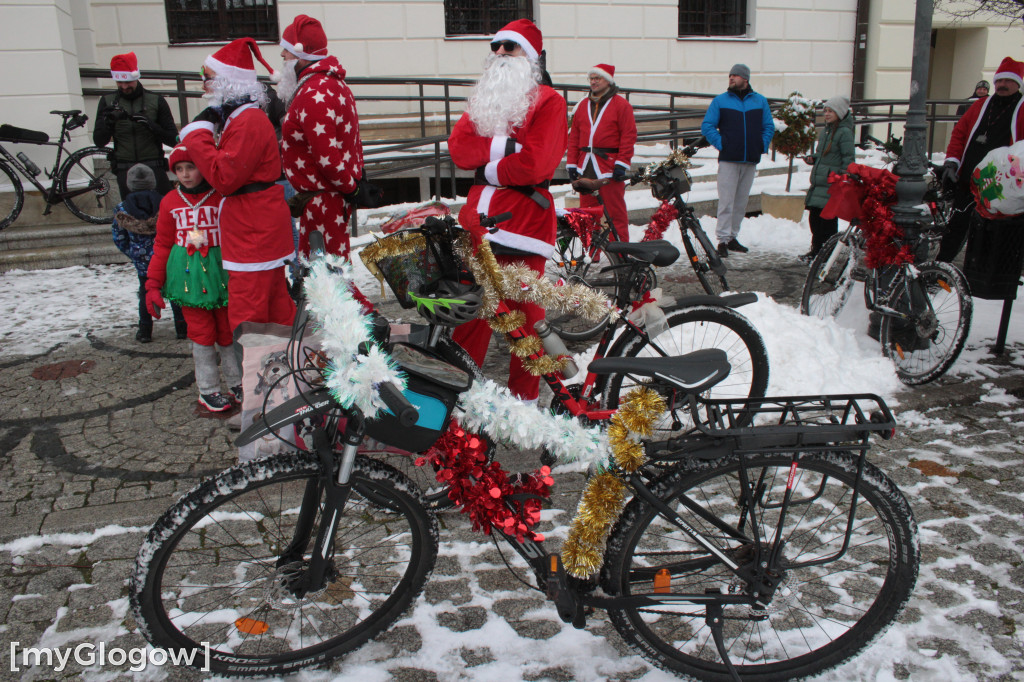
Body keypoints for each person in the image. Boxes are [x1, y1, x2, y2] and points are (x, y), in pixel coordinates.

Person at [447, 19, 568, 401]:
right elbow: (459, 151)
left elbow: (536, 165)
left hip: (524, 228)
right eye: (496, 45)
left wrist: (486, 165)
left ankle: (527, 405)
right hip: (476, 225)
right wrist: (509, 152)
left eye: (510, 47)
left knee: (525, 325)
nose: (500, 53)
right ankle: (458, 399)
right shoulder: (484, 102)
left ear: (529, 57)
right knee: (468, 320)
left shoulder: (549, 101)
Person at [177, 38, 296, 333]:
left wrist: (197, 135)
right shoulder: (240, 120)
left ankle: (260, 376)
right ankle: (278, 373)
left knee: (250, 314)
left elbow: (225, 178)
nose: (204, 86)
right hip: (254, 228)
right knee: (273, 309)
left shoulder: (247, 122)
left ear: (227, 83)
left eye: (208, 79)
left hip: (253, 232)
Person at [146, 144, 240, 413]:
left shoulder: (221, 196)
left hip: (221, 275)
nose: (185, 174)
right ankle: (208, 389)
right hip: (187, 278)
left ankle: (237, 383)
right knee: (201, 333)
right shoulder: (169, 202)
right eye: (179, 169)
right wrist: (152, 284)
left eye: (191, 167)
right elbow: (162, 244)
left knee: (227, 330)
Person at [278, 14, 370, 259]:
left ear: (300, 53)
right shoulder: (331, 84)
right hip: (324, 200)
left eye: (286, 51)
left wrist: (352, 189)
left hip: (323, 201)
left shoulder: (314, 91)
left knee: (330, 280)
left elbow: (326, 155)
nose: (282, 57)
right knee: (325, 277)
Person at [940, 57, 1024, 263]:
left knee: (995, 234)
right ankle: (940, 269)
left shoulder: (1021, 108)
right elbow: (959, 134)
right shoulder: (980, 105)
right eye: (999, 81)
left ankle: (985, 277)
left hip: (1001, 187)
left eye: (1008, 81)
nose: (1002, 85)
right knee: (956, 227)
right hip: (969, 180)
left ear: (1018, 83)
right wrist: (952, 162)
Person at [701, 63, 775, 258]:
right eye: (730, 75)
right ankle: (723, 240)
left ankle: (733, 237)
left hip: (750, 159)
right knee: (726, 201)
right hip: (728, 160)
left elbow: (768, 126)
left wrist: (761, 144)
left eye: (735, 75)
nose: (731, 78)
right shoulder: (720, 101)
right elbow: (707, 125)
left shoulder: (760, 101)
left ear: (745, 79)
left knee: (741, 202)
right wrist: (721, 143)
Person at [111, 163, 186, 343]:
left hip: (142, 261)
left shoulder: (122, 209)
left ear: (129, 184)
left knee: (145, 293)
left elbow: (119, 237)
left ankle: (145, 329)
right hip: (168, 258)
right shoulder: (166, 203)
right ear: (153, 182)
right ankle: (182, 327)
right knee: (175, 292)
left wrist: (134, 253)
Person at [566, 63, 637, 242]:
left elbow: (628, 136)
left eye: (597, 78)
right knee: (587, 214)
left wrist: (622, 163)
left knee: (615, 213)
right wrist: (572, 163)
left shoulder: (622, 105)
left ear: (608, 80)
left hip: (609, 166)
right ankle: (590, 253)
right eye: (591, 79)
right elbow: (574, 136)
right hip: (586, 166)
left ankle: (621, 254)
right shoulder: (582, 105)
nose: (594, 82)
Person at [93, 52, 178, 197]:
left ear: (136, 77)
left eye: (128, 82)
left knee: (162, 212)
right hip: (124, 167)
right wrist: (108, 124)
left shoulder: (156, 101)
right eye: (120, 82)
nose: (125, 87)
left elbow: (173, 139)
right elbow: (99, 141)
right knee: (132, 216)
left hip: (153, 165)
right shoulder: (107, 101)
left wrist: (151, 126)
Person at [799, 96, 855, 263]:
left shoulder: (844, 132)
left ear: (840, 112)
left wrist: (844, 177)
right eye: (826, 111)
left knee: (827, 221)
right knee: (815, 218)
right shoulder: (827, 131)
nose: (827, 114)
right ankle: (816, 250)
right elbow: (823, 154)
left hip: (832, 183)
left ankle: (825, 253)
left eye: (831, 111)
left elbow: (848, 157)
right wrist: (814, 158)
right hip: (820, 182)